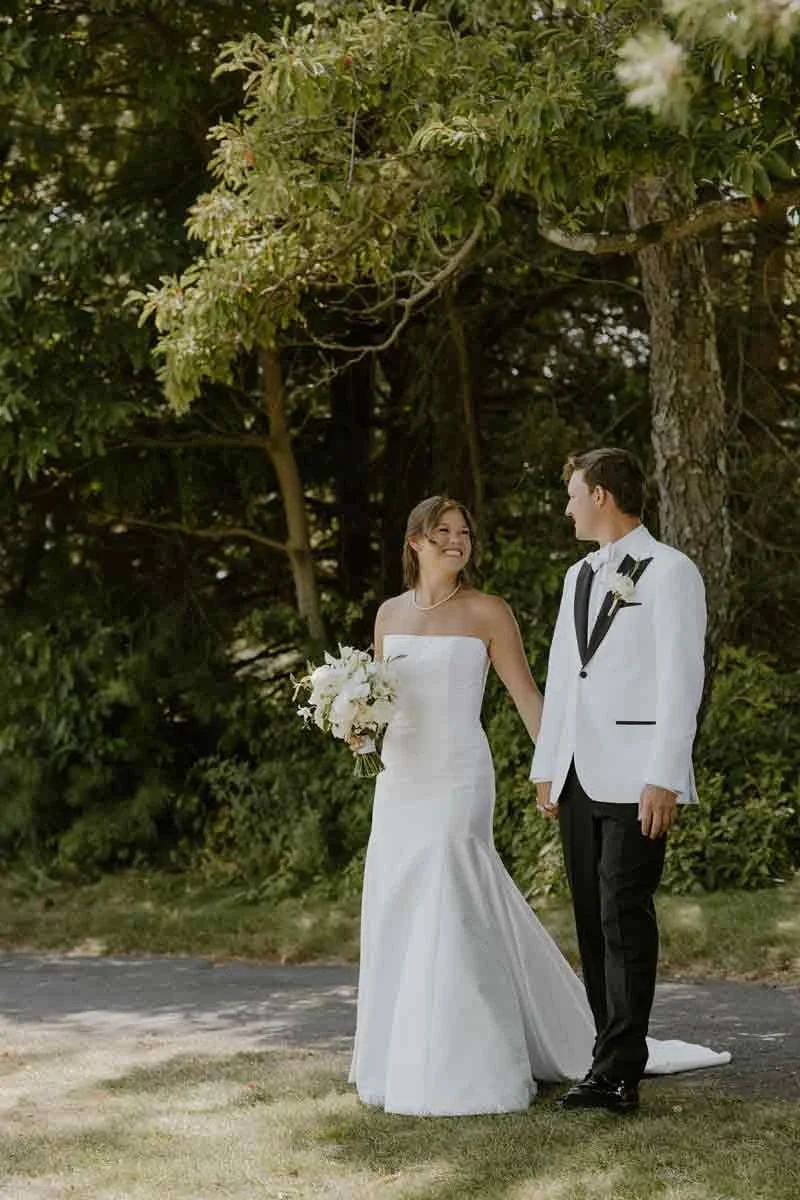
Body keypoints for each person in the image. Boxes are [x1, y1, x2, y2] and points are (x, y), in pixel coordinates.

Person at [349, 491, 728, 1117]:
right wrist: (357, 724)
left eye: (464, 530)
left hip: (459, 777)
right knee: (400, 899)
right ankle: (400, 1054)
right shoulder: (388, 616)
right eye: (442, 531)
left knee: (451, 886)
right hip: (400, 779)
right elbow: (385, 703)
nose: (456, 540)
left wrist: (555, 765)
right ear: (414, 542)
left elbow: (529, 698)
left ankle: (467, 1063)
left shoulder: (489, 613)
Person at [532, 447, 708, 1113]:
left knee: (621, 913)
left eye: (574, 493)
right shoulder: (578, 576)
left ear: (602, 495)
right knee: (588, 917)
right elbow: (562, 677)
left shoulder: (671, 573)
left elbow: (681, 680)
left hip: (638, 776)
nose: (568, 505)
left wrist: (665, 775)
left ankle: (618, 1073)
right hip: (579, 773)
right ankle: (607, 1057)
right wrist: (548, 765)